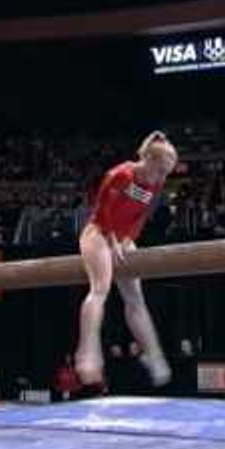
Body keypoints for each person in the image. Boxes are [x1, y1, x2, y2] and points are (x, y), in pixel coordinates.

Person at [74, 131, 178, 387]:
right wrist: (112, 241)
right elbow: (103, 211)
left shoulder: (156, 184)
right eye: (161, 170)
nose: (163, 178)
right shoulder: (121, 174)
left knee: (135, 299)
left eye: (167, 173)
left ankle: (154, 355)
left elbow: (140, 218)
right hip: (98, 233)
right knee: (100, 289)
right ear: (148, 159)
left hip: (122, 238)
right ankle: (88, 352)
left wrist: (126, 240)